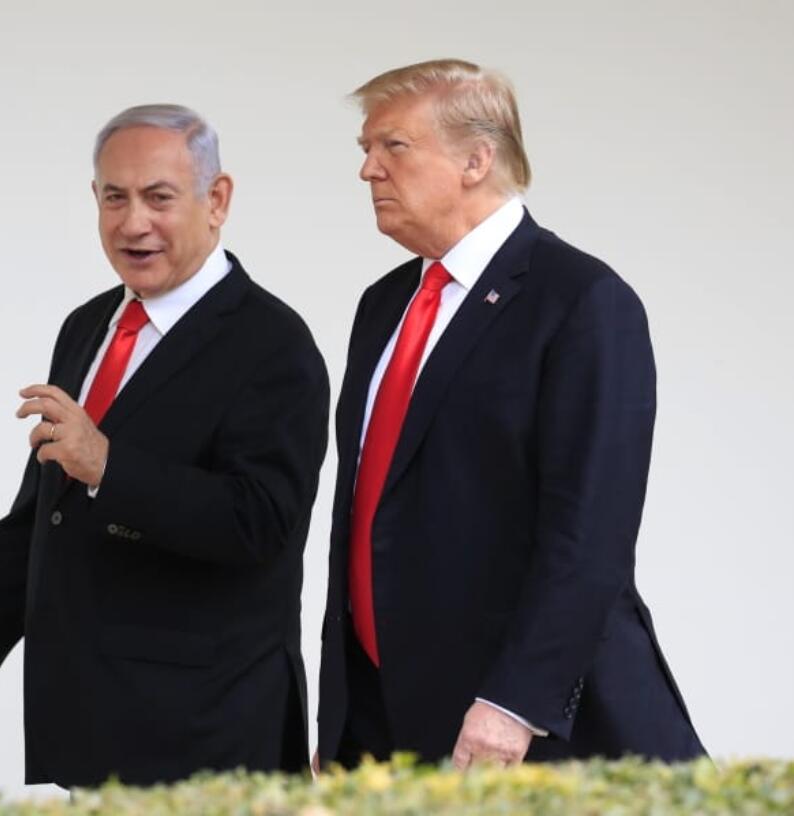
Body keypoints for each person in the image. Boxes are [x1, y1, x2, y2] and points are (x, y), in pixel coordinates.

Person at [0, 104, 329, 788]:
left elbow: (261, 524)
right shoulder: (88, 326)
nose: (134, 223)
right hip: (94, 729)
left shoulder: (274, 345)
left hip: (209, 741)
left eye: (159, 198)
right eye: (114, 198)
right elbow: (42, 513)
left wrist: (109, 465)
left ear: (217, 201)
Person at [315, 59, 705, 770]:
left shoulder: (582, 301)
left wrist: (515, 704)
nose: (368, 170)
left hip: (523, 730)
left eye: (392, 147)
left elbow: (590, 535)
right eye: (365, 150)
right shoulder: (382, 308)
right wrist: (340, 717)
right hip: (387, 719)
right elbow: (363, 521)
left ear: (476, 159)